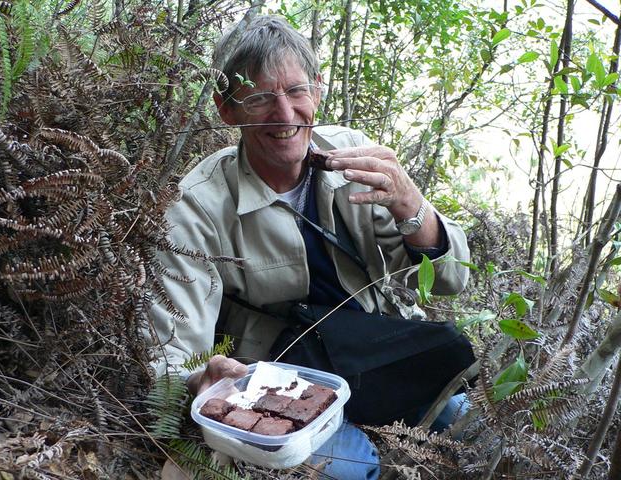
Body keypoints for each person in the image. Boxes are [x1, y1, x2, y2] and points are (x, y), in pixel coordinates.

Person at [149, 15, 470, 479]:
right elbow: (172, 354)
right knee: (353, 468)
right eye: (259, 97)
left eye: (296, 91)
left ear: (317, 90)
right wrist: (205, 379)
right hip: (282, 374)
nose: (284, 114)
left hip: (371, 348)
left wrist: (410, 204)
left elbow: (451, 280)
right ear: (227, 109)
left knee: (460, 418)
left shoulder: (354, 158)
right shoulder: (197, 206)